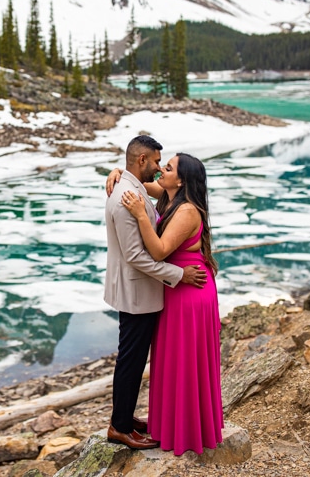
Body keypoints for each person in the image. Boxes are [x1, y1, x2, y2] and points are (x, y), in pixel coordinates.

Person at [107, 151, 223, 455]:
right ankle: (170, 423)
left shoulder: (186, 211)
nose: (161, 170)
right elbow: (140, 181)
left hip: (189, 288)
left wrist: (142, 216)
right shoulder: (169, 193)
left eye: (167, 168)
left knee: (185, 360)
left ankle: (186, 430)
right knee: (172, 359)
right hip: (175, 286)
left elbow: (158, 251)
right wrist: (118, 171)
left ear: (181, 179)